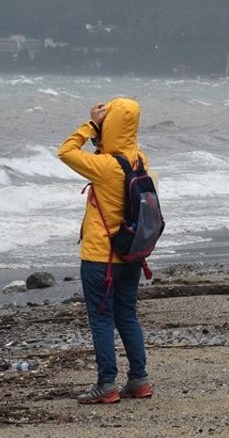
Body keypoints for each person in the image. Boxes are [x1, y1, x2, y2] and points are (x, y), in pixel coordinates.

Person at [57, 97, 152, 404]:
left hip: (101, 258)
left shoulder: (104, 167)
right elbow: (113, 153)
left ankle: (106, 384)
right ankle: (139, 380)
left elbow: (66, 151)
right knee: (127, 316)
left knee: (101, 319)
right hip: (131, 253)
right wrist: (102, 137)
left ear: (109, 124)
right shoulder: (140, 160)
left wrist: (91, 126)